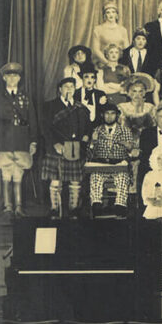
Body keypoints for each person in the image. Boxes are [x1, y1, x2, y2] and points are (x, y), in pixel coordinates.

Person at [41, 77, 91, 218]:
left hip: (76, 148)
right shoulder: (50, 106)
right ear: (60, 90)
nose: (69, 89)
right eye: (66, 86)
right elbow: (45, 128)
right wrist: (54, 144)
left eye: (72, 86)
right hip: (57, 148)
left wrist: (87, 135)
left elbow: (88, 126)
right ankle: (54, 209)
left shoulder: (81, 107)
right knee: (55, 180)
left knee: (75, 180)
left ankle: (74, 209)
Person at [0, 62, 37, 216]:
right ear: (4, 78)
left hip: (22, 141)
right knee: (6, 172)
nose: (12, 78)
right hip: (3, 141)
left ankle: (18, 206)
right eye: (9, 75)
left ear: (19, 78)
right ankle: (8, 206)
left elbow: (32, 119)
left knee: (19, 172)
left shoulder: (25, 97)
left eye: (15, 75)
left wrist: (33, 141)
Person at [87, 103, 136, 217]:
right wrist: (93, 142)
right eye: (107, 114)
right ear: (102, 115)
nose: (109, 116)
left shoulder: (125, 130)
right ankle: (96, 205)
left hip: (119, 163)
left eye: (112, 114)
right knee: (95, 176)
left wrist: (127, 145)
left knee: (122, 177)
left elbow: (131, 150)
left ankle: (120, 206)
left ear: (117, 115)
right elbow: (89, 154)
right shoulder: (97, 130)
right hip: (101, 163)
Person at [92, 1, 130, 68]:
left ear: (116, 14)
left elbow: (127, 49)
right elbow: (96, 50)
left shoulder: (123, 30)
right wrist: (107, 63)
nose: (111, 14)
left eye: (113, 12)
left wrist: (119, 64)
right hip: (103, 64)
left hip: (119, 64)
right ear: (104, 15)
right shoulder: (98, 29)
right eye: (108, 12)